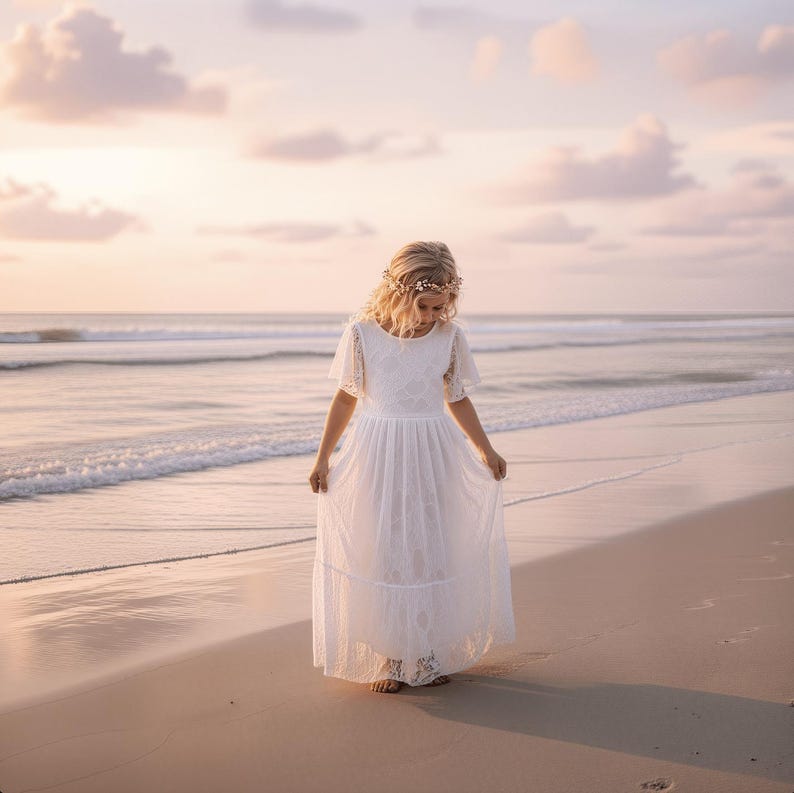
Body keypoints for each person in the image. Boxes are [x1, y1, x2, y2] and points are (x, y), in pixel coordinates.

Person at [309, 240, 515, 693]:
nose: (433, 316)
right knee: (383, 547)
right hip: (378, 450)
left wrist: (485, 449)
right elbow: (345, 398)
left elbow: (456, 398)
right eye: (424, 306)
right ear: (399, 293)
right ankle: (388, 656)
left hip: (432, 450)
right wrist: (324, 456)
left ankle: (423, 650)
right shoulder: (362, 334)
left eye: (442, 306)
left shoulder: (449, 337)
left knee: (428, 547)